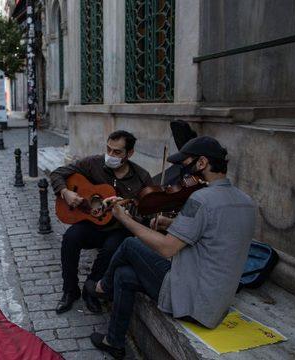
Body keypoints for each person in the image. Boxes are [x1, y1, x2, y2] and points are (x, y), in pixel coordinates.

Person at [86, 136, 256, 359]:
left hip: (189, 300)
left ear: (202, 163)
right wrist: (170, 223)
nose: (182, 170)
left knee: (130, 244)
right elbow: (213, 229)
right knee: (125, 275)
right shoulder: (245, 201)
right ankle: (114, 341)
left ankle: (101, 288)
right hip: (214, 304)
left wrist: (125, 219)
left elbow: (167, 249)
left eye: (185, 164)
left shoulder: (201, 199)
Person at [49, 130, 153, 314]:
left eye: (117, 152)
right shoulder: (93, 163)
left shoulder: (141, 178)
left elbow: (145, 216)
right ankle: (70, 290)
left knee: (112, 246)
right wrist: (66, 193)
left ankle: (92, 290)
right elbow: (58, 174)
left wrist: (129, 216)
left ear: (129, 154)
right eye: (108, 149)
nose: (110, 155)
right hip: (92, 223)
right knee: (70, 238)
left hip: (118, 227)